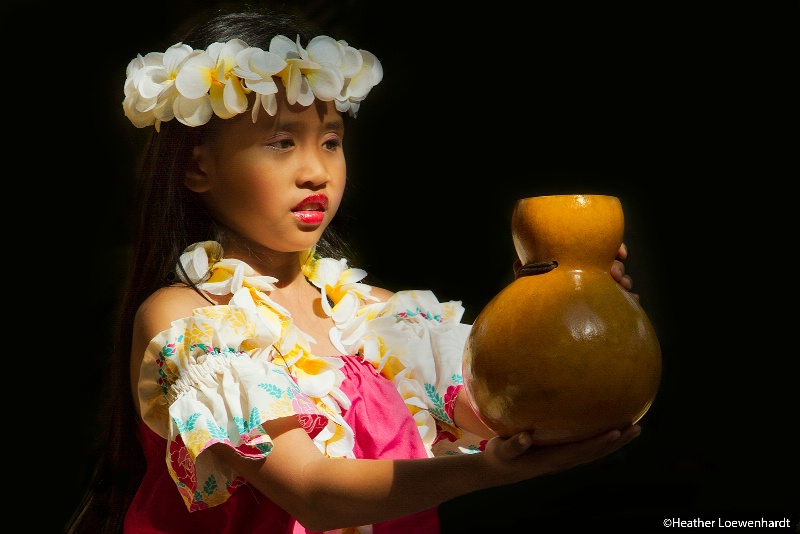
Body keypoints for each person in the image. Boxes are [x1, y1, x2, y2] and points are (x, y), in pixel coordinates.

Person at [66, 4, 644, 533]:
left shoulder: (382, 320)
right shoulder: (189, 317)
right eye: (281, 143)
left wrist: (570, 311)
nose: (316, 172)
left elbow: (519, 409)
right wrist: (489, 473)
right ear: (198, 169)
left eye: (331, 141)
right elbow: (313, 494)